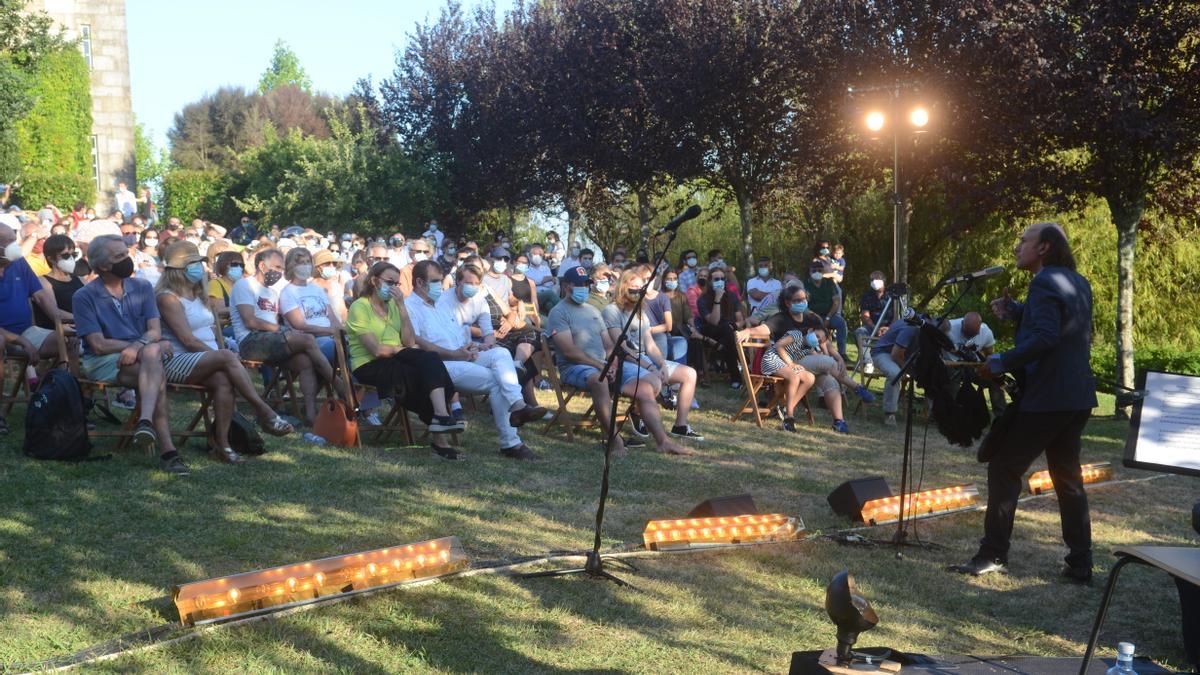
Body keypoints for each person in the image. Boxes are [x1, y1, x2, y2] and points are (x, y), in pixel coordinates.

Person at [951, 222, 1097, 582]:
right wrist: (1017, 312)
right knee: (1068, 478)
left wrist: (1000, 361)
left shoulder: (1044, 282)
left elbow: (1047, 338)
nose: (1018, 247)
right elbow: (1060, 330)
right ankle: (1081, 562)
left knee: (1003, 467)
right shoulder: (1076, 281)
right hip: (1076, 395)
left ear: (1044, 247)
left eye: (1024, 241)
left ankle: (992, 554)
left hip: (1049, 396)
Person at [155, 242, 293, 463]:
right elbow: (188, 341)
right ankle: (264, 411)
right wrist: (221, 355)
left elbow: (210, 332)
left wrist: (220, 354)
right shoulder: (167, 297)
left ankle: (222, 445)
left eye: (199, 263)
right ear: (178, 270)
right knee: (227, 357)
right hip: (177, 360)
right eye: (193, 264)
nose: (199, 268)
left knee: (223, 381)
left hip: (207, 359)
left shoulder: (199, 295)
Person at [405, 261, 547, 461]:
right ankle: (511, 443)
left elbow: (458, 333)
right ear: (420, 282)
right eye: (435, 281)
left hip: (464, 355)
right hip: (441, 365)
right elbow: (417, 342)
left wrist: (471, 347)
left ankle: (518, 405)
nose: (440, 285)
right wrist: (456, 353)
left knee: (501, 354)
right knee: (500, 381)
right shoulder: (410, 307)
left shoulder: (438, 304)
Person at [70, 235, 189, 474]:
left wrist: (137, 347)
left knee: (153, 355)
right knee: (156, 365)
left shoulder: (142, 287)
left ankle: (147, 425)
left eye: (126, 253)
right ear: (103, 266)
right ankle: (167, 451)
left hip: (141, 357)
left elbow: (154, 330)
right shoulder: (84, 296)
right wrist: (142, 346)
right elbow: (98, 345)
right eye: (119, 256)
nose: (127, 259)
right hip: (103, 361)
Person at [344, 261, 464, 459]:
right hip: (368, 365)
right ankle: (443, 422)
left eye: (397, 284)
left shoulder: (394, 305)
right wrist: (398, 350)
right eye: (389, 282)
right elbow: (375, 350)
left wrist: (402, 307)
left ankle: (441, 422)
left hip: (396, 360)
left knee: (425, 366)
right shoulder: (360, 307)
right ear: (374, 281)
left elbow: (408, 341)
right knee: (424, 367)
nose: (394, 288)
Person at [230, 248, 340, 427]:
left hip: (271, 340)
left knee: (305, 362)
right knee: (307, 340)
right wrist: (282, 330)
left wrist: (281, 331)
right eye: (276, 267)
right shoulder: (244, 285)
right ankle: (338, 385)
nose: (279, 272)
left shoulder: (272, 292)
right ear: (262, 265)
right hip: (250, 341)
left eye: (281, 268)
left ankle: (311, 415)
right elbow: (250, 321)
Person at [601, 269, 701, 451]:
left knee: (689, 373)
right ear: (623, 287)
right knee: (652, 381)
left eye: (641, 288)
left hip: (645, 359)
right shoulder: (611, 311)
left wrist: (661, 364)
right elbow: (621, 348)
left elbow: (651, 345)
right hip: (626, 361)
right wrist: (650, 367)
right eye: (634, 287)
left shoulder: (641, 313)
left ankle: (680, 425)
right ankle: (639, 415)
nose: (638, 291)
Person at [279, 247, 343, 368]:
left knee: (356, 348)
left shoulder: (317, 289)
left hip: (331, 337)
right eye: (301, 263)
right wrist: (330, 331)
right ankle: (346, 386)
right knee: (344, 350)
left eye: (308, 262)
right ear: (291, 266)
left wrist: (341, 331)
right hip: (311, 342)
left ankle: (354, 385)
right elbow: (300, 326)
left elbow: (332, 318)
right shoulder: (287, 293)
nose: (306, 266)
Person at [698, 266, 745, 389]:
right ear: (709, 281)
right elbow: (713, 321)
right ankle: (736, 377)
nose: (720, 281)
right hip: (711, 330)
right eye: (716, 279)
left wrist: (734, 325)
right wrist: (717, 299)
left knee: (728, 330)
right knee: (726, 328)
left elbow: (740, 320)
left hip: (729, 330)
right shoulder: (702, 299)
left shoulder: (732, 296)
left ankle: (721, 347)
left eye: (722, 278)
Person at [869, 317, 919, 427]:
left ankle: (934, 414)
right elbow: (895, 355)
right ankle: (889, 413)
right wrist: (909, 370)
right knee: (895, 374)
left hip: (902, 354)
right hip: (882, 353)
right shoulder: (910, 328)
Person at [32, 234, 82, 329]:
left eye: (74, 255)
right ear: (51, 258)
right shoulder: (43, 282)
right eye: (66, 255)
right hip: (61, 333)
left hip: (85, 326)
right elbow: (55, 313)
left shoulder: (80, 279)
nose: (71, 258)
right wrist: (88, 319)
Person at [804, 261, 848, 361]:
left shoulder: (829, 283)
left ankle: (842, 353)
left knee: (841, 323)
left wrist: (828, 317)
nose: (817, 272)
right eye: (814, 270)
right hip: (812, 316)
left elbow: (836, 301)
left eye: (819, 270)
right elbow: (804, 305)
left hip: (829, 315)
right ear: (809, 272)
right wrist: (815, 317)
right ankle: (816, 352)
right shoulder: (805, 284)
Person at [855, 271, 893, 373]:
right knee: (860, 332)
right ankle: (868, 362)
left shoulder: (892, 296)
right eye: (872, 279)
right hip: (872, 327)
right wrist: (875, 328)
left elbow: (898, 316)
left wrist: (888, 329)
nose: (874, 281)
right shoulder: (867, 296)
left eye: (876, 279)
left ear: (883, 281)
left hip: (890, 328)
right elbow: (865, 315)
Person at [312, 249, 349, 323]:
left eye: (334, 263)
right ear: (318, 267)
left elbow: (343, 311)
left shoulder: (335, 285)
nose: (332, 266)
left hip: (339, 329)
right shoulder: (310, 287)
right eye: (327, 263)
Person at [746, 256, 782, 325]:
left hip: (774, 318)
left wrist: (761, 293)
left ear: (771, 267)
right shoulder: (751, 281)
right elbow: (756, 296)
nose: (763, 268)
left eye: (766, 265)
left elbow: (780, 298)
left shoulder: (777, 283)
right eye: (760, 266)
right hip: (755, 319)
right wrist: (774, 295)